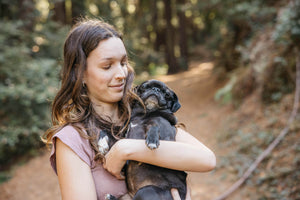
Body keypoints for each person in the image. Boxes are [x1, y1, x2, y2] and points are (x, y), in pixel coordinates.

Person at [43, 17, 216, 200]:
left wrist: (126, 149)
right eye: (107, 66)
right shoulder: (72, 139)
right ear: (80, 73)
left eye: (123, 63)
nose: (121, 74)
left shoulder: (142, 110)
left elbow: (206, 159)